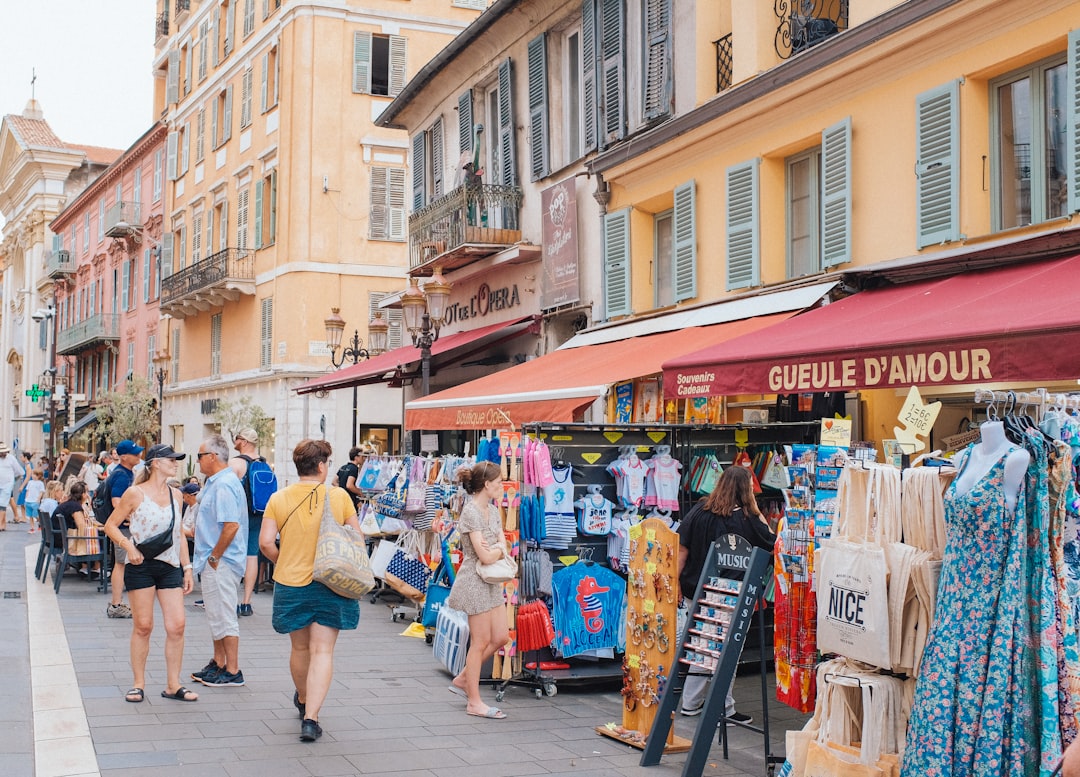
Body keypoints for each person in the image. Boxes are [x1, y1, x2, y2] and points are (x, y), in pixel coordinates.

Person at [259, 438, 361, 742]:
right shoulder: (339, 496)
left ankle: (303, 698)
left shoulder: (279, 498)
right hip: (331, 582)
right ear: (320, 465)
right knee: (323, 651)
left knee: (300, 649)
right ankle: (311, 717)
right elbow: (357, 536)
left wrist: (285, 559)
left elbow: (265, 542)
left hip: (292, 582)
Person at [676, 464, 775, 723]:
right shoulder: (747, 518)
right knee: (727, 651)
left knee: (702, 645)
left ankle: (691, 701)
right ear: (746, 491)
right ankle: (724, 706)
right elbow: (771, 541)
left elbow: (681, 550)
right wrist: (755, 511)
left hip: (695, 591)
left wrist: (675, 584)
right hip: (729, 595)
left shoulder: (699, 510)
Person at [102, 443, 196, 704]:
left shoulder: (176, 495)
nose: (176, 463)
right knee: (143, 626)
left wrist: (187, 568)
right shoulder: (135, 493)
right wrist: (128, 545)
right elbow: (111, 525)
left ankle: (173, 684)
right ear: (155, 463)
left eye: (177, 459)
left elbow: (178, 535)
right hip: (141, 565)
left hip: (169, 567)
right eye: (171, 459)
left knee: (177, 625)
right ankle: (138, 684)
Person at [445, 460, 510, 720]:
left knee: (501, 637)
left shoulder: (492, 511)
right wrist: (496, 550)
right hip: (475, 580)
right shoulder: (471, 512)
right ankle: (474, 701)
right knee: (481, 640)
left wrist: (495, 549)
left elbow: (501, 543)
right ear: (486, 485)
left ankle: (463, 677)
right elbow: (484, 554)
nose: (502, 487)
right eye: (498, 483)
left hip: (492, 581)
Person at [192, 434, 248, 688]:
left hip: (221, 561)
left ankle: (232, 669)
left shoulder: (224, 484)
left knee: (224, 614)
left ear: (212, 457)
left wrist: (215, 556)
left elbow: (231, 526)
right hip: (213, 559)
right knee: (216, 614)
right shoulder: (217, 482)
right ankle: (219, 662)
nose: (198, 461)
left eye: (200, 456)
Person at [229, 428, 265, 617]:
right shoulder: (264, 462)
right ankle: (247, 602)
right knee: (252, 556)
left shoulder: (235, 463)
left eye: (236, 438)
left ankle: (233, 600)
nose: (234, 440)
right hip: (258, 514)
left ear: (243, 441)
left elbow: (228, 491)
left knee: (234, 555)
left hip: (239, 515)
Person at [106, 440, 143, 619]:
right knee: (120, 564)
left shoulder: (124, 472)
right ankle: (116, 604)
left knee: (121, 564)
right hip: (121, 528)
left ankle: (117, 602)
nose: (139, 455)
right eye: (135, 453)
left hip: (121, 526)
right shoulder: (121, 475)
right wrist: (132, 518)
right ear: (123, 457)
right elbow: (117, 502)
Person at [55, 481, 102, 579]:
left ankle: (86, 568)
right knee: (99, 538)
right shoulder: (75, 507)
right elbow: (82, 527)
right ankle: (96, 569)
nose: (89, 494)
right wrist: (101, 528)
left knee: (92, 536)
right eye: (87, 492)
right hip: (64, 540)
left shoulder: (70, 504)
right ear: (83, 494)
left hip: (57, 536)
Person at [0, 443, 26, 531]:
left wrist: (13, 481)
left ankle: (0, 524)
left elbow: (20, 472)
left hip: (7, 484)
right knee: (1, 503)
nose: (2, 454)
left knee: (2, 504)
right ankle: (3, 525)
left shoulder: (11, 458)